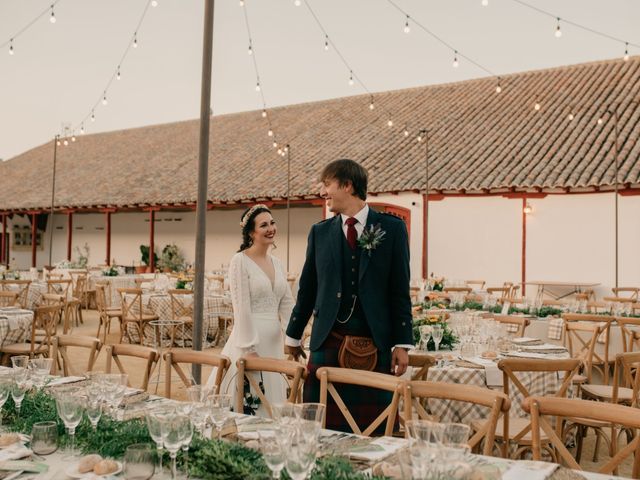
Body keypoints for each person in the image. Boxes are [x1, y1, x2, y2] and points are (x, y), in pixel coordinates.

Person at [284, 159, 413, 432]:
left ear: (348, 185)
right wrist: (293, 335)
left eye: (328, 184)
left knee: (374, 428)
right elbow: (308, 288)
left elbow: (399, 290)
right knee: (318, 425)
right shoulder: (319, 233)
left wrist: (402, 343)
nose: (323, 192)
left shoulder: (392, 228)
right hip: (326, 340)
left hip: (374, 342)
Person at [207, 204, 294, 416]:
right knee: (249, 400)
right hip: (250, 339)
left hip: (273, 340)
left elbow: (287, 304)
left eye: (272, 223)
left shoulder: (278, 263)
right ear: (251, 232)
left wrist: (295, 337)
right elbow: (241, 308)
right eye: (263, 225)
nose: (270, 228)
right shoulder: (240, 261)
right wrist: (249, 349)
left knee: (273, 397)